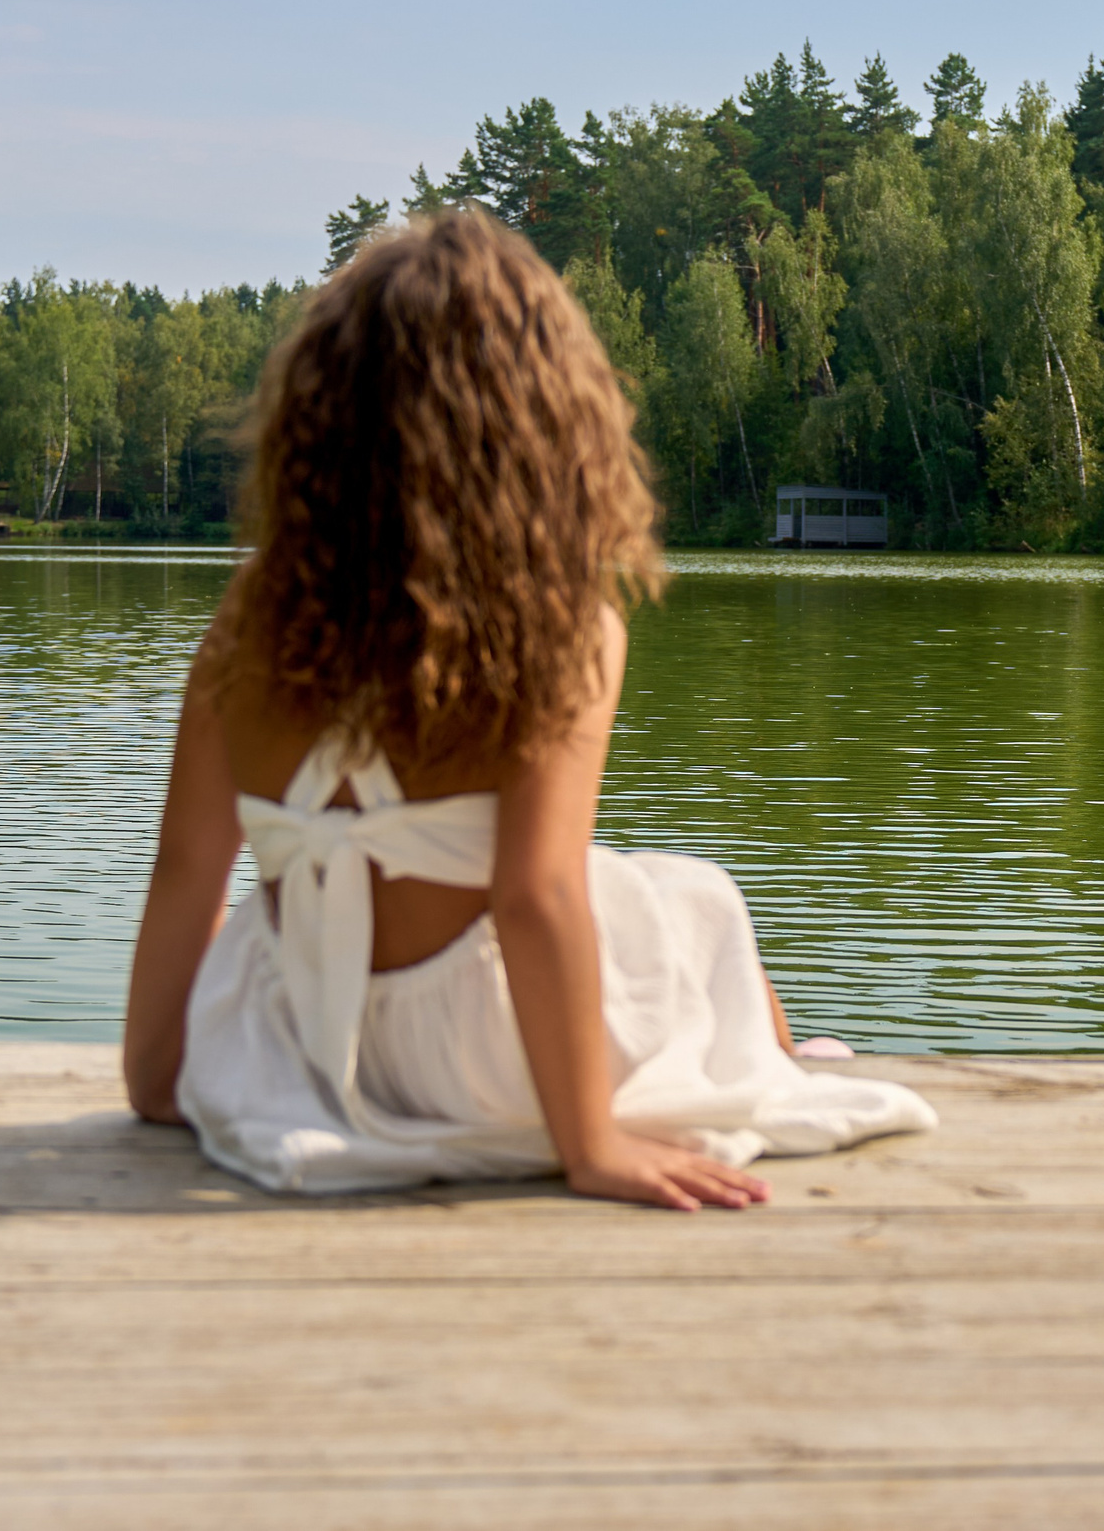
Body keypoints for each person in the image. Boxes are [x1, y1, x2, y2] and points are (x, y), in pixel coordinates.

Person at [121, 211, 934, 1210]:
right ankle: (772, 1062)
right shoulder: (562, 625)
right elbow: (534, 895)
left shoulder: (255, 613)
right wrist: (589, 1148)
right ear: (542, 425)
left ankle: (767, 1057)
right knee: (693, 895)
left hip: (311, 1052)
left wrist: (160, 1075)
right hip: (490, 1064)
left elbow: (187, 864)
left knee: (646, 891)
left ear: (321, 425)